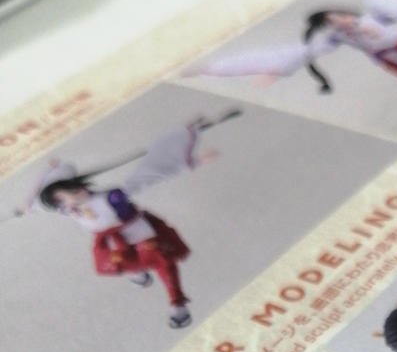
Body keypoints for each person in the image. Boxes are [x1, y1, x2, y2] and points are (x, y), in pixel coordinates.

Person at [23, 112, 239, 329]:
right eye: (60, 201)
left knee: (162, 263)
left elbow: (148, 176)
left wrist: (193, 162)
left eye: (64, 197)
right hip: (110, 241)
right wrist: (34, 197)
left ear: (75, 188)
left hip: (139, 234)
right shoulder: (69, 209)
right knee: (122, 261)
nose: (65, 204)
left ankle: (178, 304)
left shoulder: (113, 197)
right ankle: (137, 272)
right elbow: (40, 201)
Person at [186, 0, 397, 94]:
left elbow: (393, 9)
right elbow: (303, 52)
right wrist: (274, 70)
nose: (339, 21)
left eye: (338, 16)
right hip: (394, 54)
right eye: (331, 21)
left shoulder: (369, 13)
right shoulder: (337, 36)